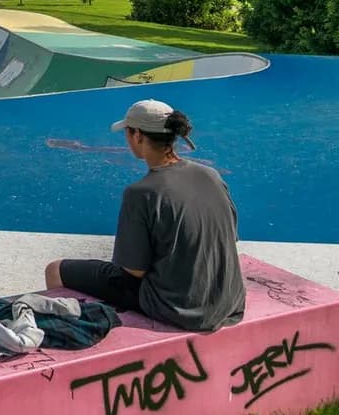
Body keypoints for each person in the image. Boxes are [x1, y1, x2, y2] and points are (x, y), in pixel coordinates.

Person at [45, 100, 245, 333]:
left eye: (127, 132)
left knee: (55, 270)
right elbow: (230, 236)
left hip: (178, 308)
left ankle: (64, 336)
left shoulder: (141, 193)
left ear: (138, 135)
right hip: (229, 302)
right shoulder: (211, 175)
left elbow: (134, 270)